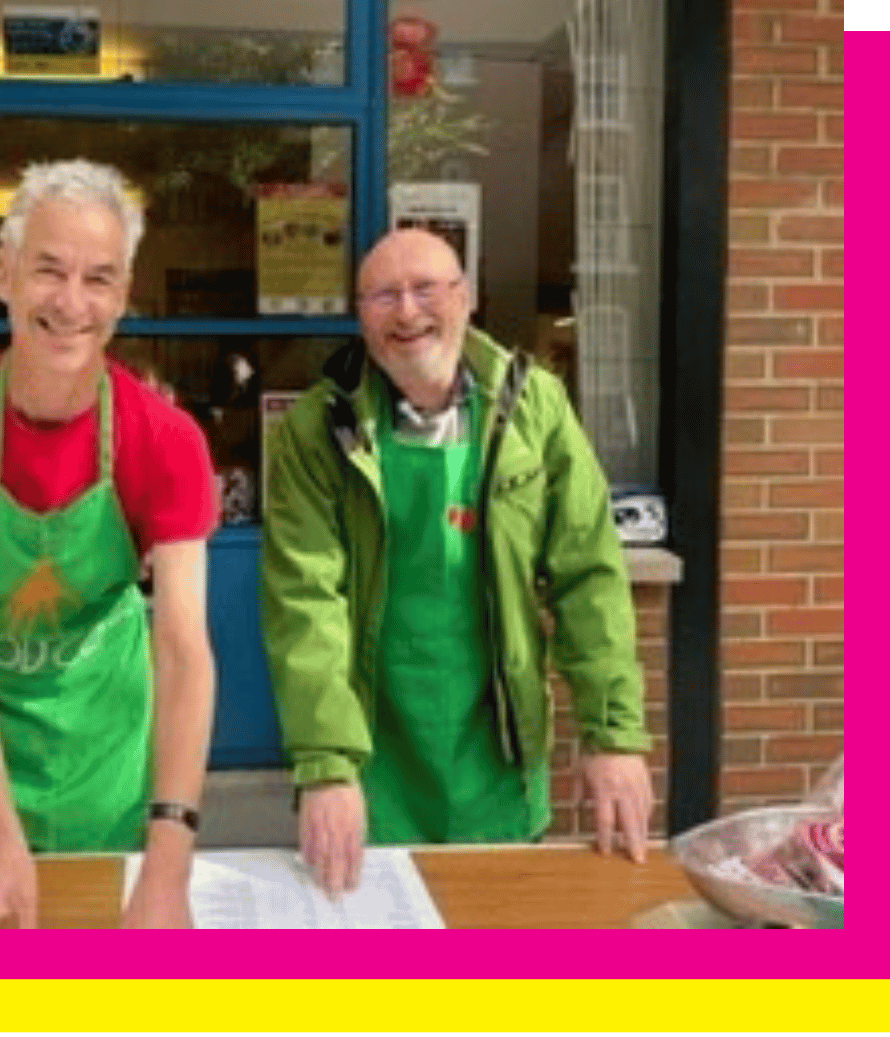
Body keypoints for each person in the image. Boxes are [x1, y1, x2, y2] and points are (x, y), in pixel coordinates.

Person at [0, 159, 218, 929]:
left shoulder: (167, 441)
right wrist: (0, 832)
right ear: (3, 272)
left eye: (99, 279)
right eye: (48, 271)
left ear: (124, 296)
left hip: (109, 766)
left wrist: (168, 863)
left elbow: (183, 647)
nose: (71, 302)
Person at [260, 228, 653, 896]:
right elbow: (305, 601)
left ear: (465, 299)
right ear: (361, 316)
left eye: (425, 289)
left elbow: (589, 574)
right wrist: (327, 765)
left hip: (496, 755)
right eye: (383, 295)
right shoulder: (318, 429)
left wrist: (612, 734)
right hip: (377, 754)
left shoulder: (536, 409)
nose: (407, 312)